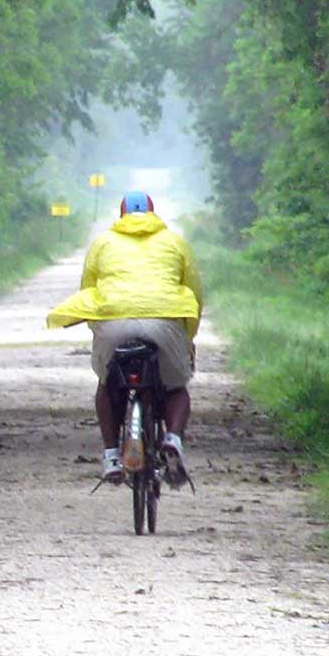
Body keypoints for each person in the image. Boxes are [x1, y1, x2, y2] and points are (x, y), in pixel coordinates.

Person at [46, 191, 204, 485]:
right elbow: (194, 291)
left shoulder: (103, 242)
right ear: (154, 213)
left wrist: (99, 330)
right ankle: (172, 439)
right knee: (176, 388)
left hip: (114, 322)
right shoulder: (174, 241)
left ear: (120, 216)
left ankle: (111, 456)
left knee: (107, 385)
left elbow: (87, 290)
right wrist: (188, 337)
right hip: (164, 321)